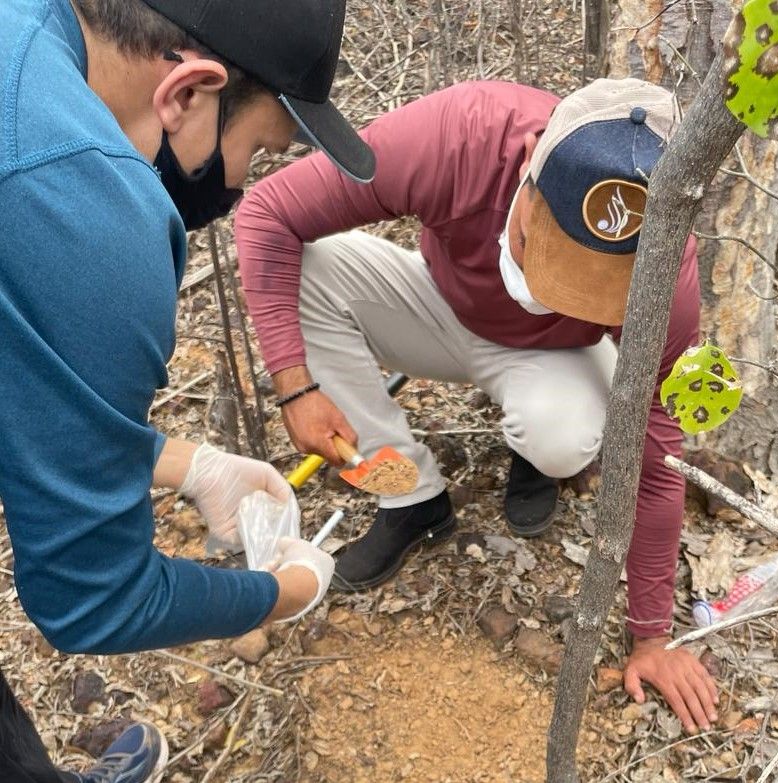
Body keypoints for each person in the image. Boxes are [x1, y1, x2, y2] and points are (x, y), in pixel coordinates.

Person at [234, 79, 720, 734]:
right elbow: (268, 213)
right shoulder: (459, 135)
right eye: (538, 249)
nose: (547, 287)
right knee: (311, 274)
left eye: (585, 282)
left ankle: (534, 458)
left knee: (561, 435)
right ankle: (407, 496)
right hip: (437, 301)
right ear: (526, 163)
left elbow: (658, 457)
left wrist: (650, 636)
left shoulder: (669, 267)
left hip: (552, 357)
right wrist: (293, 383)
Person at [0, 0, 373, 780]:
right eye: (260, 150)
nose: (240, 181)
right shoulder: (88, 205)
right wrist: (278, 591)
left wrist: (182, 464)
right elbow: (91, 599)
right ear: (186, 92)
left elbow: (19, 375)